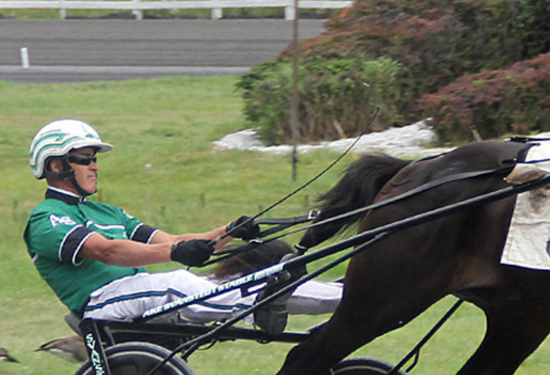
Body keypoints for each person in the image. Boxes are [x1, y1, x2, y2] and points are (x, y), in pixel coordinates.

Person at [23, 118, 343, 334]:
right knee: (178, 283)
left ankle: (343, 294)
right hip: (102, 303)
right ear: (56, 165)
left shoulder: (108, 212)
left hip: (139, 295)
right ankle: (258, 306)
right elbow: (106, 250)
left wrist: (227, 232)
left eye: (94, 158)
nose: (94, 165)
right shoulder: (45, 218)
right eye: (84, 158)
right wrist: (175, 252)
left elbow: (172, 239)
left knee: (243, 278)